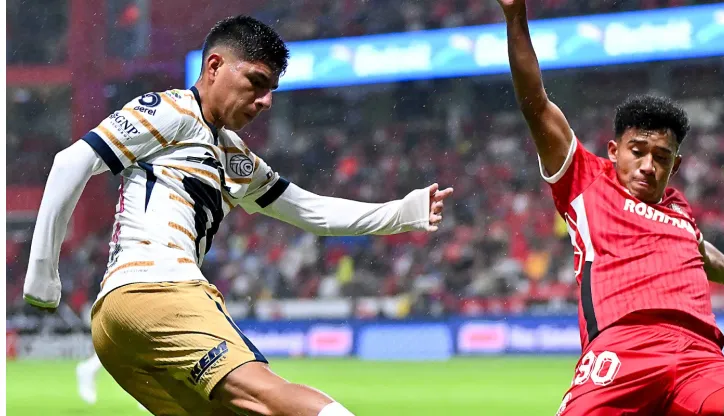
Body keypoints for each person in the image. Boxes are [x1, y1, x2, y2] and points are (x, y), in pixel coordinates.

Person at [23, 15, 453, 416]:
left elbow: (309, 210)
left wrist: (399, 213)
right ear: (214, 66)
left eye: (271, 91)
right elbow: (71, 162)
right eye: (256, 82)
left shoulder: (236, 158)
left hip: (118, 325)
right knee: (269, 397)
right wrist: (43, 273)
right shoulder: (171, 110)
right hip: (159, 290)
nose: (265, 101)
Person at [494, 1, 724, 415]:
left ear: (675, 165)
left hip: (701, 356)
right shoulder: (584, 179)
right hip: (623, 350)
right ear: (613, 150)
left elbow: (701, 253)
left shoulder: (680, 210)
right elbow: (534, 103)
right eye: (637, 151)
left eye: (661, 156)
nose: (647, 165)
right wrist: (516, 17)